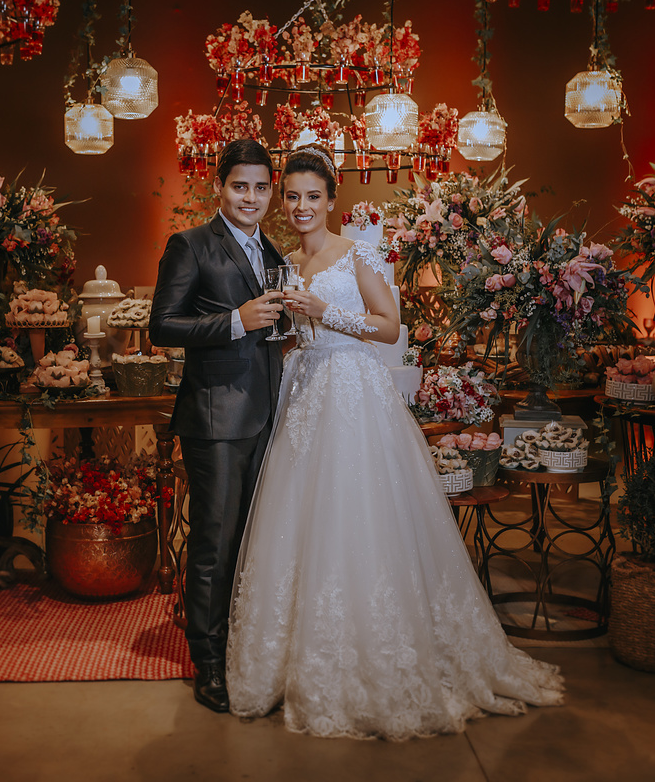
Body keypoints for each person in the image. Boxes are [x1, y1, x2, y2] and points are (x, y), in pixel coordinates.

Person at [226, 146, 564, 741]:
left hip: (353, 394)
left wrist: (328, 314)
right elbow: (288, 331)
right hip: (302, 393)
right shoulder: (284, 264)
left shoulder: (356, 253)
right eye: (294, 197)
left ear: (332, 201)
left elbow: (388, 326)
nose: (302, 207)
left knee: (359, 516)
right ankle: (291, 660)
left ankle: (383, 657)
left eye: (314, 197)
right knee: (300, 520)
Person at [149, 139, 287, 713]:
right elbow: (163, 325)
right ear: (219, 187)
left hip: (268, 413)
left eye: (259, 187)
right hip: (215, 418)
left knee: (252, 541)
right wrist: (233, 321)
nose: (250, 197)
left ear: (269, 191)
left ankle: (239, 646)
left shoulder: (274, 249)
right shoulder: (190, 245)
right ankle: (207, 662)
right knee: (213, 542)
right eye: (239, 186)